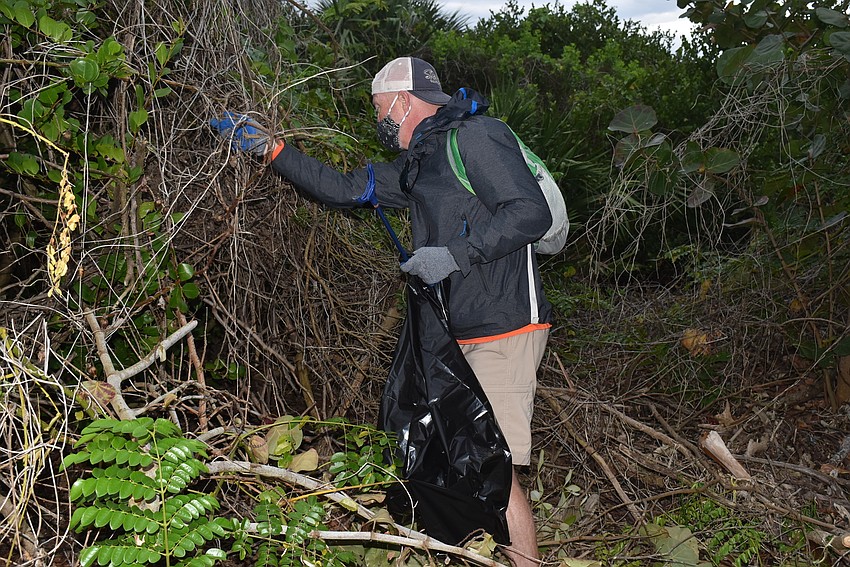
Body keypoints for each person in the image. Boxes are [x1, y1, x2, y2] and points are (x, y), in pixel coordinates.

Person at [211, 57, 552, 567]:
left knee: (490, 467)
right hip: (452, 335)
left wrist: (454, 256)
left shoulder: (475, 138)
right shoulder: (421, 162)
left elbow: (530, 212)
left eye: (379, 108)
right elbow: (347, 188)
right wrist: (272, 150)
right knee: (456, 465)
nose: (378, 119)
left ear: (403, 100)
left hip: (504, 325)